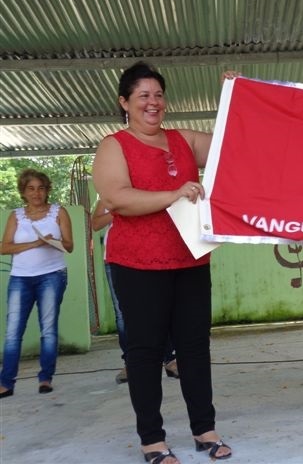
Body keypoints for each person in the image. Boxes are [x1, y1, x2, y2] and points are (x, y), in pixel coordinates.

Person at [92, 61, 231, 464]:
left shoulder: (183, 138)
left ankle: (205, 430)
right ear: (124, 102)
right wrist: (173, 194)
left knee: (194, 348)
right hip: (137, 265)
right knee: (145, 353)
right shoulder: (113, 145)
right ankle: (152, 440)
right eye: (143, 96)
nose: (153, 103)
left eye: (158, 95)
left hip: (189, 261)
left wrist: (233, 99)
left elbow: (231, 144)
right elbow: (117, 198)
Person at [0, 168, 74, 398]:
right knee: (13, 332)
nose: (36, 193)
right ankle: (6, 382)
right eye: (31, 188)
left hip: (52, 275)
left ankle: (45, 379)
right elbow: (4, 247)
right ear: (23, 191)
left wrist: (54, 242)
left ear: (47, 190)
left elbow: (70, 246)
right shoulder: (16, 216)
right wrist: (35, 244)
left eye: (41, 188)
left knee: (48, 330)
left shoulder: (58, 212)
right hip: (20, 278)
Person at [90, 199, 180, 384]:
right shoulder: (108, 197)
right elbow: (96, 224)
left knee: (158, 309)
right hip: (115, 259)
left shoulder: (144, 190)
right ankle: (130, 362)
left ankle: (169, 359)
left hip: (147, 255)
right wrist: (117, 209)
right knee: (123, 314)